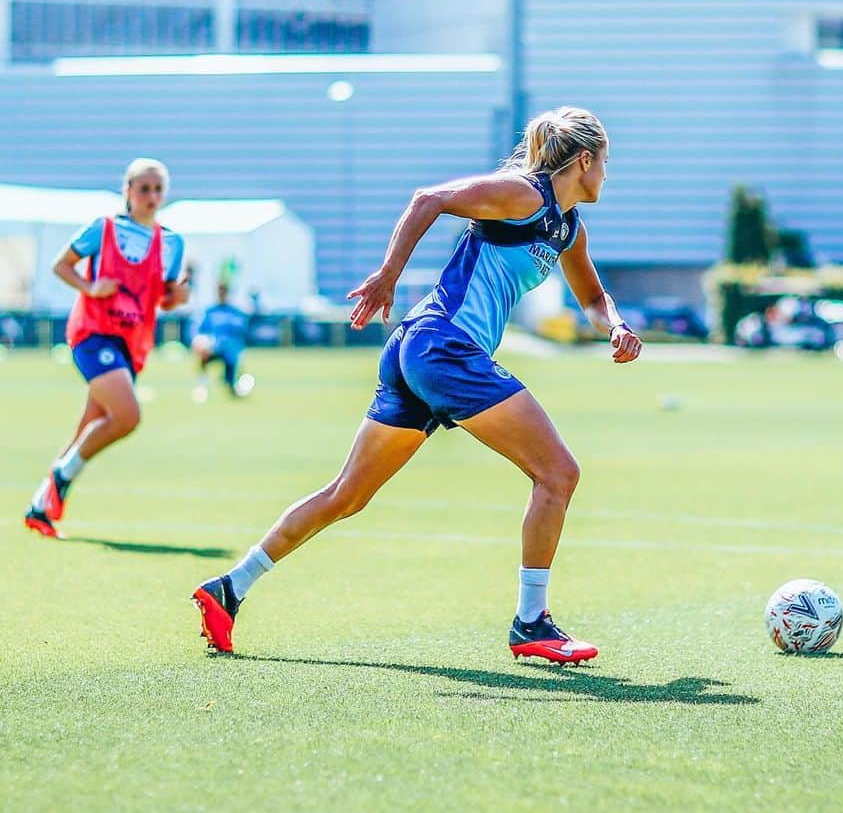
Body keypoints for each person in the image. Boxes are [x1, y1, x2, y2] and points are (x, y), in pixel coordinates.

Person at [192, 106, 642, 662]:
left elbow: (593, 299)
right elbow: (428, 199)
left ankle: (228, 589)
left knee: (347, 495)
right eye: (606, 163)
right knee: (558, 473)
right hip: (444, 346)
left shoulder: (568, 226)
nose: (607, 175)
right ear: (583, 160)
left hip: (422, 349)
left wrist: (615, 326)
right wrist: (387, 276)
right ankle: (531, 623)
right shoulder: (525, 195)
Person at [24, 158, 189, 538]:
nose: (150, 196)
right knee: (127, 416)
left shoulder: (172, 242)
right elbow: (62, 265)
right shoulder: (105, 228)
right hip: (93, 333)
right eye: (143, 188)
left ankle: (40, 505)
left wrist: (178, 296)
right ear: (127, 190)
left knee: (89, 427)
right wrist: (89, 287)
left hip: (132, 344)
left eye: (157, 189)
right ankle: (61, 478)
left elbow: (164, 298)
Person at [192, 282, 252, 401]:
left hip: (231, 350)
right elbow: (202, 331)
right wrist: (202, 343)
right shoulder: (211, 311)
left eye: (224, 291)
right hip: (214, 348)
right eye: (220, 291)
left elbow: (241, 333)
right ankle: (202, 387)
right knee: (203, 358)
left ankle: (233, 384)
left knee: (230, 383)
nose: (221, 294)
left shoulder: (235, 312)